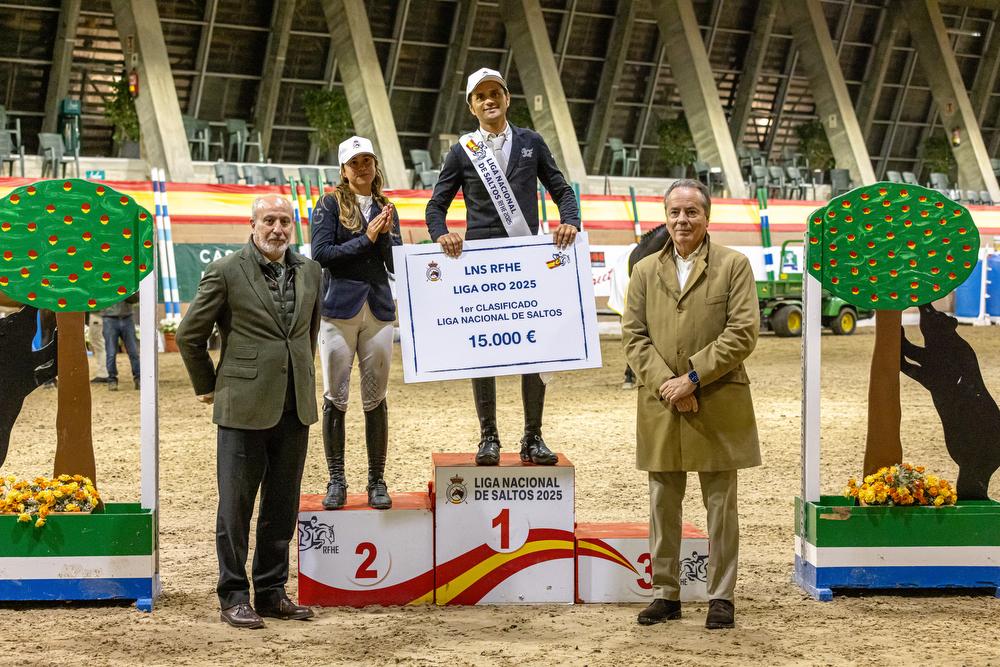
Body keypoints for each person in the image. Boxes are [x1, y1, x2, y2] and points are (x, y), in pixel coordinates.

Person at [176, 194, 321, 630]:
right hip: (241, 407)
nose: (278, 229)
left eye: (285, 221)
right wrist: (209, 386)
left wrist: (297, 374)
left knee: (282, 504)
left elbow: (307, 335)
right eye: (269, 221)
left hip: (295, 406)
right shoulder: (225, 270)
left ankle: (273, 591)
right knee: (235, 507)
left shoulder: (311, 271)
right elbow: (189, 336)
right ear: (253, 224)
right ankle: (234, 594)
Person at [621, 179, 760, 630]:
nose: (682, 220)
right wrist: (668, 385)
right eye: (675, 213)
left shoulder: (734, 265)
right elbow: (633, 337)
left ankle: (722, 596)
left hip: (717, 401)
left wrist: (694, 378)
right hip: (662, 404)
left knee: (721, 504)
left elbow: (743, 332)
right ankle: (666, 593)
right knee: (663, 502)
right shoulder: (643, 271)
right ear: (665, 217)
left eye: (691, 213)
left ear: (706, 217)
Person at [425, 67, 581, 467]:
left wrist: (570, 222)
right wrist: (442, 234)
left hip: (526, 261)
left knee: (536, 348)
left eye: (495, 93)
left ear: (508, 98)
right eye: (481, 96)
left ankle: (533, 436)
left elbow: (562, 189)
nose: (489, 100)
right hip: (480, 267)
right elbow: (435, 206)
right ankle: (488, 437)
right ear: (471, 106)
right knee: (483, 352)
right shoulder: (462, 150)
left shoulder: (533, 142)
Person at [310, 135, 401, 511]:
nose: (362, 168)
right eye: (355, 163)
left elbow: (393, 263)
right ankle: (337, 479)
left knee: (375, 395)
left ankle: (376, 480)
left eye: (367, 161)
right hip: (339, 309)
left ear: (374, 166)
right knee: (336, 395)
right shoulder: (329, 204)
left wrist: (384, 238)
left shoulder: (385, 205)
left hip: (378, 308)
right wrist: (368, 237)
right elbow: (322, 254)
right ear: (344, 171)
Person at [100, 293, 139, 391]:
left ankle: (138, 378)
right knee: (111, 353)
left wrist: (126, 290)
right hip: (109, 318)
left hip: (127, 317)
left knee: (133, 351)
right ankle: (112, 380)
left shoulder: (127, 280)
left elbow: (135, 299)